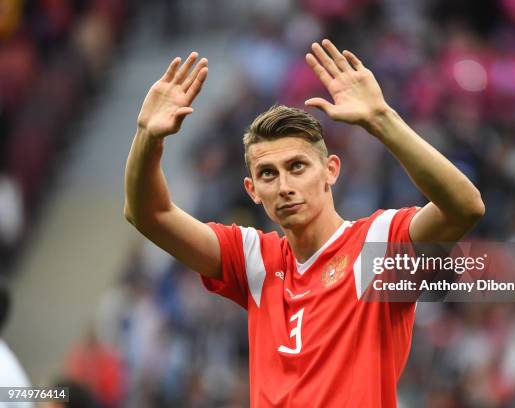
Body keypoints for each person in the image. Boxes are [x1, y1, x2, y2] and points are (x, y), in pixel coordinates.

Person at [124, 39, 484, 407]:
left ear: (330, 171)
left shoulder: (375, 249)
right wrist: (147, 137)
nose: (284, 186)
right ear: (252, 190)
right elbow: (149, 215)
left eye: (297, 167)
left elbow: (464, 208)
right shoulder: (253, 259)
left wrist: (381, 120)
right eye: (267, 174)